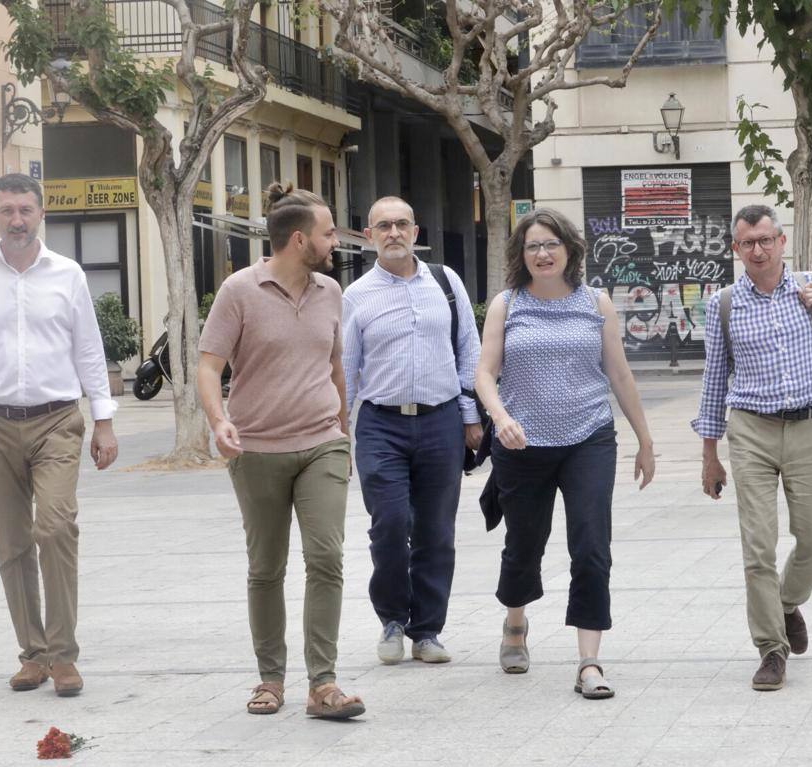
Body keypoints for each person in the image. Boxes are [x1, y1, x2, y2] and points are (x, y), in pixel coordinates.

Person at [0, 173, 119, 697]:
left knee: (56, 528)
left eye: (25, 210)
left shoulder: (67, 274)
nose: (16, 219)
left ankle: (63, 656)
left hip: (56, 419)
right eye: (6, 211)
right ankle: (33, 655)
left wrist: (103, 419)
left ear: (41, 213)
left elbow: (88, 347)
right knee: (12, 542)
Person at [197, 182, 364, 720]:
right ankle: (271, 678)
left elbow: (336, 368)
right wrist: (219, 421)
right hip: (257, 448)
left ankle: (324, 683)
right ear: (299, 239)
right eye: (329, 231)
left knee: (326, 557)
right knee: (266, 567)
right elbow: (208, 366)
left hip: (321, 444)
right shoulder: (239, 291)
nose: (336, 240)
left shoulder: (331, 292)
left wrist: (343, 434)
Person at [475, 207, 655, 699]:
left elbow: (619, 375)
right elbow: (485, 373)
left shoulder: (596, 304)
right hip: (522, 443)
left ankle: (589, 662)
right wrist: (500, 417)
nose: (543, 253)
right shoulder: (506, 305)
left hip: (589, 438)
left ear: (570, 249)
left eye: (551, 243)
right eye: (533, 246)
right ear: (522, 255)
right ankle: (516, 621)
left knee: (592, 546)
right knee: (524, 544)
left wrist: (645, 440)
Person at [692, 204, 812, 691]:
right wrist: (709, 455)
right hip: (751, 431)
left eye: (766, 240)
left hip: (809, 429)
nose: (758, 250)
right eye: (748, 243)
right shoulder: (724, 303)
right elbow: (714, 380)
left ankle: (786, 603)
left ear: (782, 242)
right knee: (757, 547)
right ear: (737, 249)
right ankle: (771, 649)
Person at [342, 196, 482, 665]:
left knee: (436, 531)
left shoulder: (445, 282)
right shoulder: (355, 296)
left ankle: (427, 630)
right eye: (384, 226)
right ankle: (392, 620)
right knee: (390, 524)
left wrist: (470, 415)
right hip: (381, 424)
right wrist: (338, 436)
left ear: (416, 231)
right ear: (369, 236)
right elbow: (345, 369)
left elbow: (469, 349)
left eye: (402, 224)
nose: (394, 233)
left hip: (441, 419)